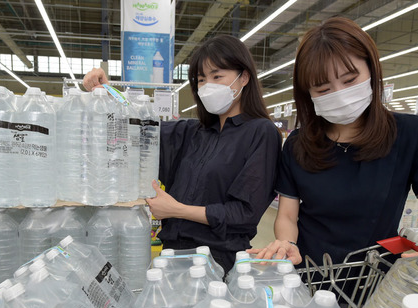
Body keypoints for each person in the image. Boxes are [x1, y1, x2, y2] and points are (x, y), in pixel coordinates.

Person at [249, 17, 418, 307]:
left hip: (372, 285)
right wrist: (287, 243)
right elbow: (287, 216)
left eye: (349, 80)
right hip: (304, 279)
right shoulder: (297, 144)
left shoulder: (413, 135)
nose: (340, 94)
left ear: (371, 69)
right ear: (308, 94)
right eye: (323, 89)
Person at [84, 35, 281, 274]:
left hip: (217, 263)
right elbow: (138, 125)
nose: (208, 86)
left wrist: (177, 210)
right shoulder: (190, 132)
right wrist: (107, 92)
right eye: (201, 80)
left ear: (244, 77)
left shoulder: (261, 132)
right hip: (171, 258)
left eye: (217, 76)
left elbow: (245, 213)